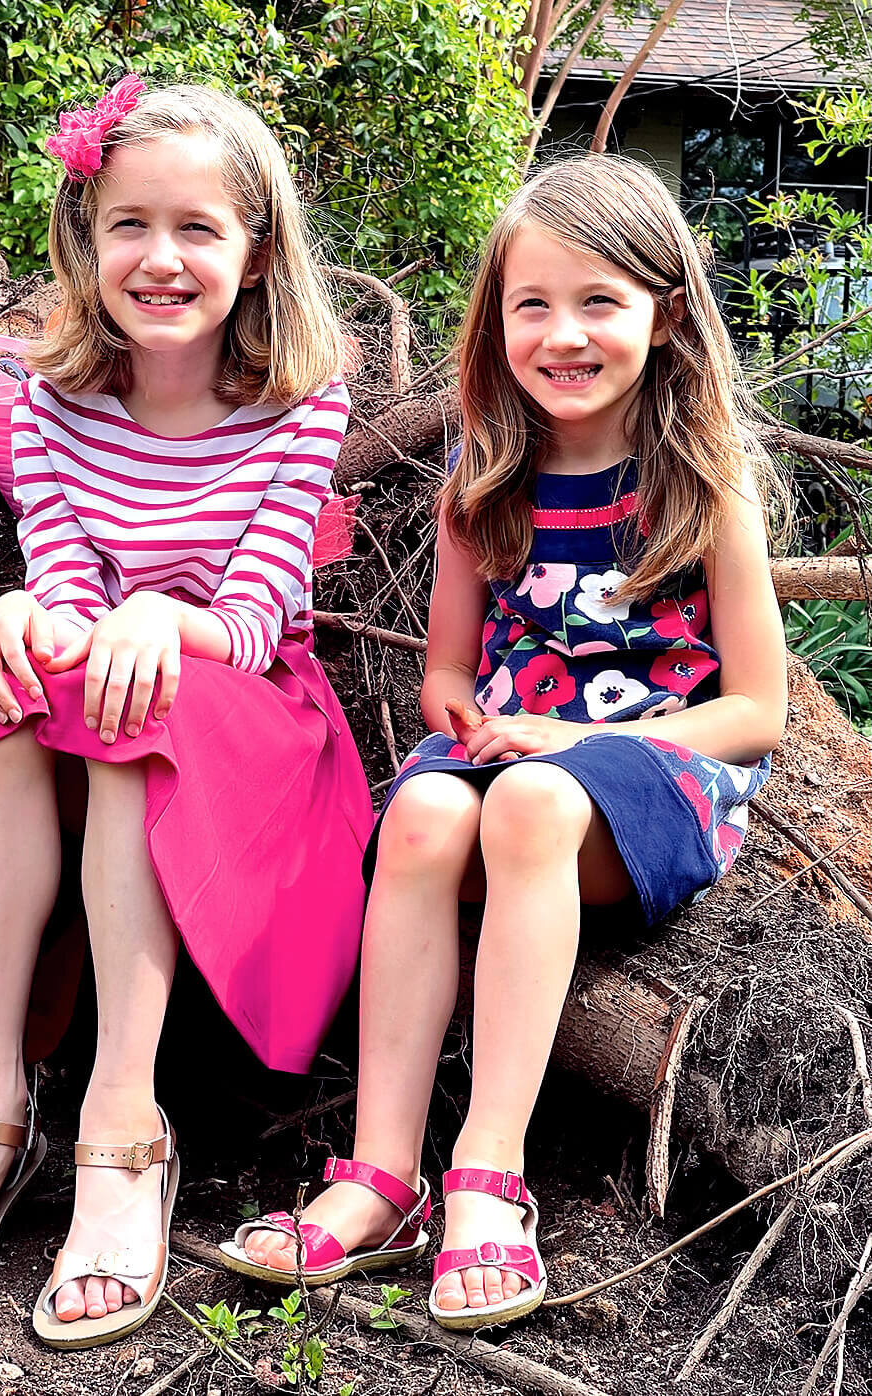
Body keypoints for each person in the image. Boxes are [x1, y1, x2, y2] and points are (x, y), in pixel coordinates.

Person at [222, 153, 788, 1330]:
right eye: (533, 303)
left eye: (598, 302)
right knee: (425, 812)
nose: (562, 334)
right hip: (505, 767)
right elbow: (444, 672)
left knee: (532, 803)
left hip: (653, 779)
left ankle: (488, 1171)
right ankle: (383, 1173)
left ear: (665, 315)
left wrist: (566, 740)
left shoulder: (704, 482)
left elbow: (756, 712)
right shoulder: (485, 477)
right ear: (497, 320)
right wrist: (471, 721)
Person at [0, 75, 373, 1349]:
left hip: (256, 717)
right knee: (15, 696)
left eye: (198, 228)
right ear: (85, 239)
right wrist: (20, 615)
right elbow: (67, 590)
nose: (161, 257)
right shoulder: (45, 401)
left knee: (132, 705)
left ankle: (123, 1121)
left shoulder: (301, 404)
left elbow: (249, 620)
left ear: (258, 253)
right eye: (129, 225)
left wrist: (157, 618)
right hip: (108, 681)